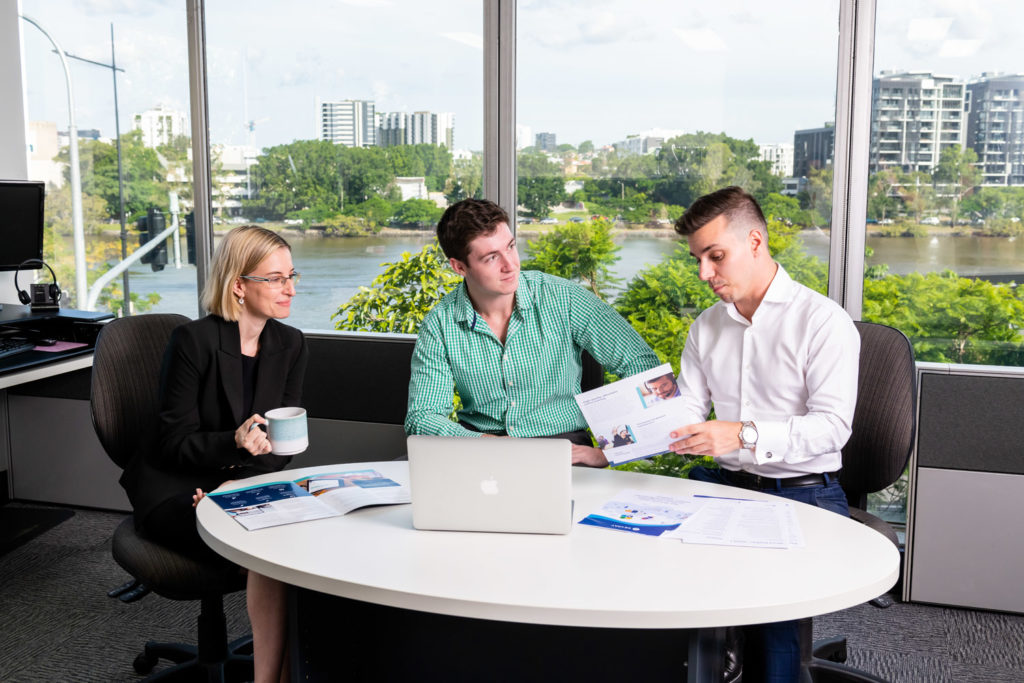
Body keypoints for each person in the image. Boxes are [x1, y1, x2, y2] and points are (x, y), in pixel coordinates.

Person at [666, 186, 860, 682]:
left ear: (755, 242)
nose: (704, 274)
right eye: (698, 260)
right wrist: (617, 442)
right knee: (675, 596)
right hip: (726, 486)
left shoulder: (823, 322)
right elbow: (687, 410)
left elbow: (833, 428)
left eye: (715, 256)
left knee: (774, 635)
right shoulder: (707, 327)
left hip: (803, 492)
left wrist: (742, 435)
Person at [121, 225, 308, 683]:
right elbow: (170, 442)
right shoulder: (194, 342)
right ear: (239, 286)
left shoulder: (291, 343)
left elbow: (281, 443)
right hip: (175, 484)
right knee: (270, 552)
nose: (289, 289)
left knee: (306, 544)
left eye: (292, 276)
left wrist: (238, 482)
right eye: (275, 278)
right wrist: (233, 442)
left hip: (240, 482)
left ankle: (288, 672)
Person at [405, 198, 659, 467]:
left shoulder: (564, 298)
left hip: (563, 449)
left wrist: (609, 451)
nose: (510, 265)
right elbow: (422, 417)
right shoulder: (440, 324)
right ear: (459, 267)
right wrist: (486, 444)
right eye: (492, 257)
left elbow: (644, 369)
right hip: (480, 449)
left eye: (511, 247)